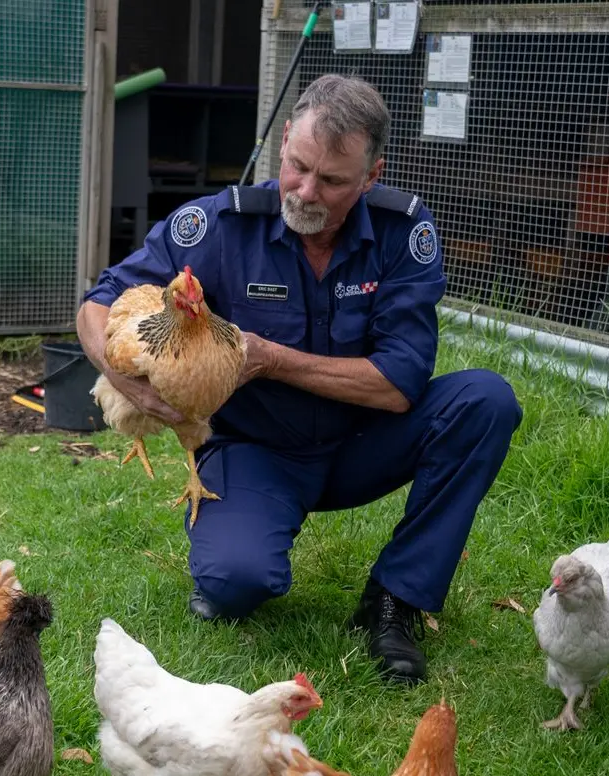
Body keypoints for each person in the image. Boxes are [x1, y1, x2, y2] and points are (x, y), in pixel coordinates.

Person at [75, 74, 521, 685]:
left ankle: (397, 599)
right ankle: (237, 545)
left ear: (371, 176)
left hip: (363, 444)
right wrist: (125, 381)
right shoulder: (218, 226)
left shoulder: (402, 235)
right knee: (236, 583)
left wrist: (270, 358)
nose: (307, 191)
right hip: (255, 448)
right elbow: (99, 303)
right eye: (298, 166)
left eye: (332, 180)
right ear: (284, 140)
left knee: (485, 400)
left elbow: (398, 384)